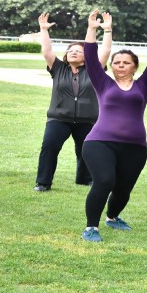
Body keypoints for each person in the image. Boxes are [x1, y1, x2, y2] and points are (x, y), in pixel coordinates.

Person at [80, 8, 147, 242]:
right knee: (105, 180)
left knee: (123, 189)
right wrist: (92, 29)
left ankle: (112, 216)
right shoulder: (103, 83)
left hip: (135, 146)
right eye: (116, 62)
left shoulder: (143, 86)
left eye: (125, 62)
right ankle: (91, 227)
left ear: (134, 67)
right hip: (99, 142)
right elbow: (90, 56)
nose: (120, 65)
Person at [33, 12, 112, 192]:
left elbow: (106, 51)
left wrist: (106, 30)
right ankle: (43, 183)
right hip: (59, 118)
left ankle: (85, 179)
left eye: (79, 51)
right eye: (70, 50)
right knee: (49, 147)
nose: (73, 52)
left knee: (86, 151)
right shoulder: (58, 68)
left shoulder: (94, 70)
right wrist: (44, 30)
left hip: (87, 119)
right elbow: (47, 51)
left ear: (86, 57)